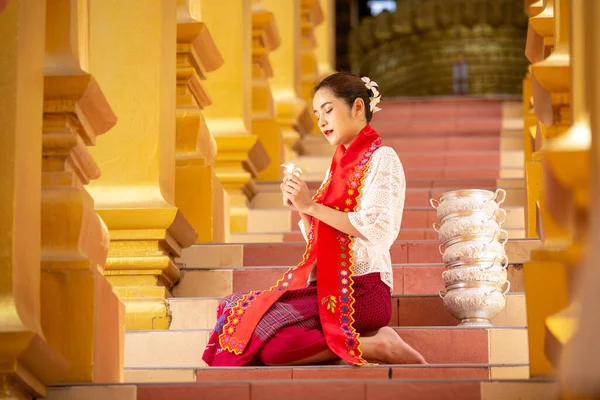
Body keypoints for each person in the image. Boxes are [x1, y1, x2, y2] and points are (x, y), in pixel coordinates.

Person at [202, 72, 426, 366]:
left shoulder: (382, 158)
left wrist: (311, 206)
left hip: (363, 289)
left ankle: (382, 347)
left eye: (329, 110)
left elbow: (379, 231)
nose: (321, 122)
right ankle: (367, 344)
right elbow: (320, 242)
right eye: (317, 114)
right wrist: (301, 207)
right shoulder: (335, 170)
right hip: (326, 286)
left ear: (358, 107)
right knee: (235, 310)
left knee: (274, 348)